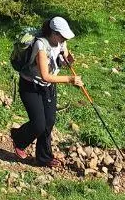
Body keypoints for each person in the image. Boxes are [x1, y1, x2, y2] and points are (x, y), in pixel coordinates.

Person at [10, 16, 82, 169]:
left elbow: (61, 61)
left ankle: (44, 158)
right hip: (31, 86)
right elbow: (45, 75)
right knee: (38, 124)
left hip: (48, 87)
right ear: (54, 33)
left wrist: (68, 60)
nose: (64, 40)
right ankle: (18, 138)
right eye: (62, 36)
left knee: (49, 122)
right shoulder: (40, 45)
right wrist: (70, 79)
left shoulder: (61, 43)